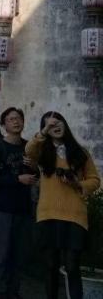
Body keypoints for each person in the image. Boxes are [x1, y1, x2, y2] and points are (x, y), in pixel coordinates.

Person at [26, 112, 101, 299]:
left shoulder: (80, 152)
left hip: (75, 215)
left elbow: (94, 180)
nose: (55, 126)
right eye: (50, 125)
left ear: (65, 124)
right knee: (50, 265)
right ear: (46, 130)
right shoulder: (42, 151)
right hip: (48, 214)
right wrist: (43, 131)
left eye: (58, 122)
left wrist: (78, 183)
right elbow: (29, 150)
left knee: (72, 265)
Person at [0, 107, 35, 299]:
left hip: (23, 208)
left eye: (19, 118)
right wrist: (16, 180)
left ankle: (13, 292)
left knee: (18, 254)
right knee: (0, 253)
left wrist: (34, 167)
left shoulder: (29, 147)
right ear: (4, 125)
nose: (16, 121)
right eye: (11, 119)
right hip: (1, 208)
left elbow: (36, 175)